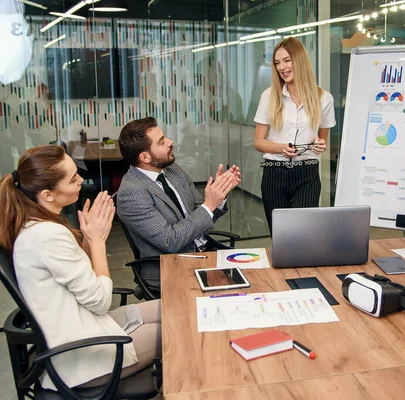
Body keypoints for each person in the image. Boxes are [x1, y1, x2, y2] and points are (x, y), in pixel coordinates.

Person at [0, 145, 161, 389]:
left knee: (178, 309)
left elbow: (77, 277)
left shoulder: (38, 225)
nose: (81, 181)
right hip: (85, 357)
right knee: (183, 327)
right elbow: (100, 301)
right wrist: (97, 243)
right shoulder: (47, 235)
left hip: (85, 326)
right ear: (47, 194)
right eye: (73, 178)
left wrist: (87, 239)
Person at [117, 117, 241, 291]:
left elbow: (201, 211)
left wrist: (219, 195)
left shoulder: (172, 170)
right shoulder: (132, 193)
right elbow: (170, 241)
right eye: (162, 142)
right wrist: (209, 204)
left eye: (165, 137)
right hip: (172, 269)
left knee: (259, 276)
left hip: (204, 253)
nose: (170, 142)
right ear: (144, 156)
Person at [254, 37, 336, 233]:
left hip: (307, 174)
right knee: (282, 237)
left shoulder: (324, 98)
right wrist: (281, 148)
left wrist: (319, 144)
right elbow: (259, 141)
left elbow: (322, 140)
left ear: (299, 60)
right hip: (274, 173)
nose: (282, 67)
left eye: (287, 60)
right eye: (277, 63)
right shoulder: (268, 96)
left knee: (303, 234)